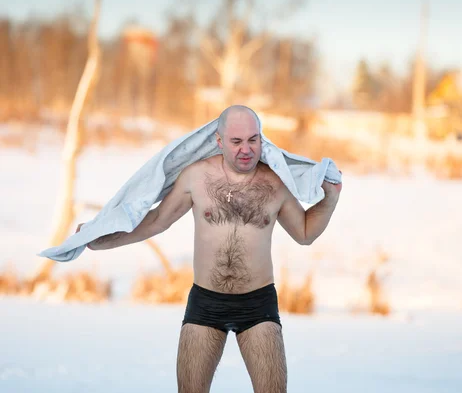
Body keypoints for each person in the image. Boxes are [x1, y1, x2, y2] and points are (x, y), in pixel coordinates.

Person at [76, 105, 342, 393]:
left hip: (258, 305)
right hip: (205, 303)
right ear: (219, 141)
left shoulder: (276, 183)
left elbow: (304, 233)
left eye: (253, 140)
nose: (246, 149)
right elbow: (155, 222)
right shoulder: (196, 177)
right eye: (236, 141)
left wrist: (330, 199)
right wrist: (101, 239)